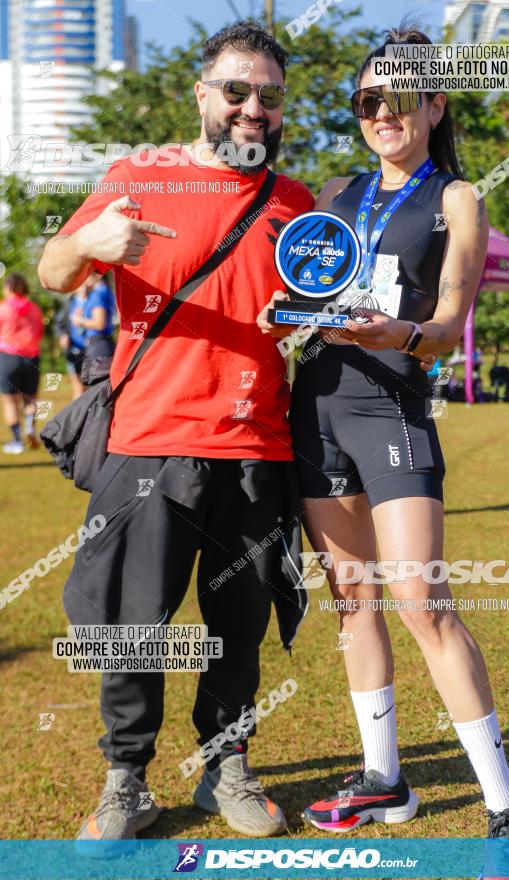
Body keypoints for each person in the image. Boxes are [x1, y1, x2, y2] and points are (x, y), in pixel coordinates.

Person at [259, 23, 509, 857]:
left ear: (433, 103)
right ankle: (386, 780)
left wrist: (397, 335)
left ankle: (503, 805)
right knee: (354, 605)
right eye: (366, 99)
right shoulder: (334, 193)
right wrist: (284, 316)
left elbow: (448, 324)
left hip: (391, 410)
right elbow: (305, 291)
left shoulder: (454, 197)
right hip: (317, 407)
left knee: (423, 603)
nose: (382, 111)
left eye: (399, 97)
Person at [38, 22, 313, 843]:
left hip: (257, 447)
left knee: (238, 626)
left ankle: (225, 766)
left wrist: (305, 321)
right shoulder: (136, 177)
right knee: (128, 624)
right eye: (235, 90)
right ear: (202, 95)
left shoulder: (296, 205)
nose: (250, 108)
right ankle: (125, 778)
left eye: (267, 94)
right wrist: (88, 240)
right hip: (147, 441)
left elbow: (313, 317)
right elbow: (53, 269)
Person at [0, 273, 44, 454]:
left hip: (9, 356)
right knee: (30, 398)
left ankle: (17, 441)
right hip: (32, 357)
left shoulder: (3, 308)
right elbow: (39, 332)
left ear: (8, 287)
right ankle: (30, 428)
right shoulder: (35, 309)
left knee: (10, 401)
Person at [55, 285, 87, 400]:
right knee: (78, 385)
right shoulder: (69, 303)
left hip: (92, 350)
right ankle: (78, 416)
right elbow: (59, 324)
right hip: (74, 350)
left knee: (92, 387)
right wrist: (62, 336)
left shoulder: (95, 299)